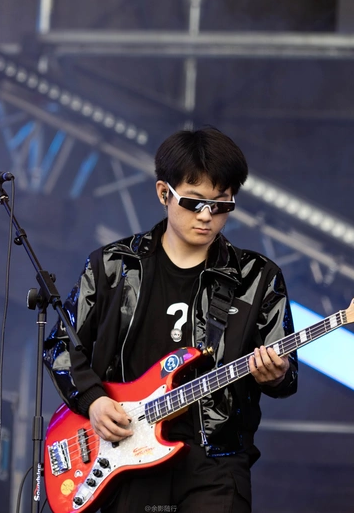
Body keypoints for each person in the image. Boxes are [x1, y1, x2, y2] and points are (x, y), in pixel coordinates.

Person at [44, 127, 298, 512]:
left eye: (221, 205)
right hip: (124, 452)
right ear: (164, 193)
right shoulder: (112, 266)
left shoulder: (257, 277)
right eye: (194, 202)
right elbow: (61, 344)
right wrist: (93, 400)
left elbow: (287, 375)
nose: (207, 215)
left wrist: (276, 375)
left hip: (216, 461)